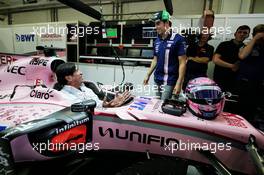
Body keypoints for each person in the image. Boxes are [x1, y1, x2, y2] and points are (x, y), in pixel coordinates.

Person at [143, 10, 187, 100]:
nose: (156, 27)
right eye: (155, 24)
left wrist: (179, 83)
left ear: (166, 23)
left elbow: (183, 63)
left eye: (158, 23)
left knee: (164, 106)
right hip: (157, 79)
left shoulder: (178, 39)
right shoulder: (157, 41)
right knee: (157, 104)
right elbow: (155, 60)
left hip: (170, 81)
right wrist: (148, 74)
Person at [54, 62, 131, 108]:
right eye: (77, 71)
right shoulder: (64, 96)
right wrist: (106, 107)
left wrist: (108, 104)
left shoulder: (85, 88)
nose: (81, 73)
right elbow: (87, 112)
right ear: (69, 78)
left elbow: (98, 103)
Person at [237, 24, 264, 123]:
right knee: (242, 112)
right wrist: (255, 39)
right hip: (245, 84)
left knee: (256, 113)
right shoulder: (246, 46)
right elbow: (242, 56)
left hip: (259, 85)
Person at [213, 25, 250, 94]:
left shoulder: (246, 48)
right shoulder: (224, 44)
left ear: (248, 36)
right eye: (240, 32)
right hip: (221, 79)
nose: (242, 34)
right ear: (235, 34)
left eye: (245, 33)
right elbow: (215, 60)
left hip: (236, 81)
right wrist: (232, 66)